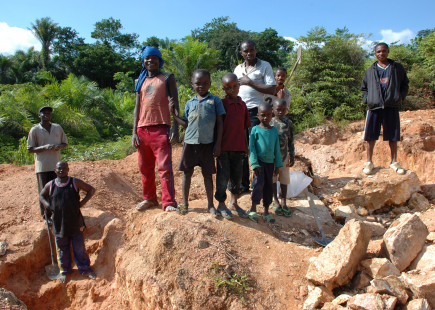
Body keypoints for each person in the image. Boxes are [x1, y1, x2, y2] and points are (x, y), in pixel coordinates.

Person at [172, 69, 225, 217]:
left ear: (209, 84)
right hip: (190, 143)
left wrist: (218, 143)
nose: (201, 86)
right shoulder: (190, 103)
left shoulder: (215, 101)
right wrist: (174, 116)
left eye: (205, 83)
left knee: (208, 175)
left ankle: (210, 205)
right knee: (187, 173)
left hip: (207, 144)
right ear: (192, 84)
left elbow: (220, 123)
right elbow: (186, 123)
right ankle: (185, 204)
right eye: (198, 83)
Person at [132, 46, 179, 212]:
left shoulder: (167, 78)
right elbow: (137, 107)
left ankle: (169, 202)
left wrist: (175, 129)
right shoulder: (141, 81)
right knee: (145, 168)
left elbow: (175, 103)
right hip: (142, 130)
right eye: (147, 58)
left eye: (154, 58)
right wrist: (133, 133)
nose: (150, 61)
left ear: (160, 61)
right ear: (143, 61)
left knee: (164, 168)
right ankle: (149, 198)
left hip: (160, 128)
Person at [39, 161, 96, 283]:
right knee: (62, 248)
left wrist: (81, 203)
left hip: (75, 221)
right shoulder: (51, 185)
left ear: (68, 170)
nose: (61, 171)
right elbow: (42, 195)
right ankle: (64, 271)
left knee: (79, 247)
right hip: (59, 224)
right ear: (55, 170)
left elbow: (91, 190)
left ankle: (85, 268)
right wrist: (48, 205)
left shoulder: (74, 182)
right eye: (59, 169)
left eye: (64, 168)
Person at [234, 40, 276, 193]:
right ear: (241, 53)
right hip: (239, 112)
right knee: (242, 148)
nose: (249, 53)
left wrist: (250, 82)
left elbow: (272, 88)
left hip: (255, 112)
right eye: (246, 51)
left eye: (252, 50)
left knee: (257, 147)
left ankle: (259, 182)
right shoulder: (237, 68)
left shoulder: (264, 66)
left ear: (256, 50)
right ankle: (244, 184)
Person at [361, 42, 409, 175]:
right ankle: (369, 163)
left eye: (384, 51)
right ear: (375, 54)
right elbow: (363, 88)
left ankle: (394, 162)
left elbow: (405, 84)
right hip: (374, 107)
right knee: (370, 136)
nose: (381, 54)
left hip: (391, 106)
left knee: (393, 136)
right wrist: (367, 99)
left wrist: (401, 96)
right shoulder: (370, 70)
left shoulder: (396, 68)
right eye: (378, 52)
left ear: (388, 52)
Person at [215, 73, 251, 219]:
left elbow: (244, 128)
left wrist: (246, 146)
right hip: (224, 147)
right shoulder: (222, 104)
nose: (232, 90)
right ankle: (221, 203)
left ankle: (234, 202)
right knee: (223, 176)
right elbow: (218, 125)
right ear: (224, 89)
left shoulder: (243, 105)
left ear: (239, 85)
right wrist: (216, 145)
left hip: (238, 147)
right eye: (228, 88)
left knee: (237, 176)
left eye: (235, 86)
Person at [27, 106, 68, 225]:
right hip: (42, 166)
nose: (46, 115)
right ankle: (45, 216)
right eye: (43, 113)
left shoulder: (57, 128)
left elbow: (65, 143)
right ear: (39, 115)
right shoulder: (35, 130)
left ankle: (58, 213)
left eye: (48, 113)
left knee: (57, 190)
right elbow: (30, 149)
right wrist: (44, 147)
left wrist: (58, 147)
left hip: (57, 167)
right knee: (44, 191)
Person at [248, 102, 283, 224]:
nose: (266, 117)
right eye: (263, 115)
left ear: (272, 115)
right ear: (258, 115)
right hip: (259, 164)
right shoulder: (255, 130)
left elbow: (277, 149)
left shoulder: (274, 131)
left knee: (269, 186)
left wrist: (278, 164)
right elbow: (251, 148)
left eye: (268, 115)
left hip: (270, 164)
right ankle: (253, 208)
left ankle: (266, 211)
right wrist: (254, 164)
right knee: (258, 185)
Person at [270, 99, 294, 217]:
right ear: (273, 109)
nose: (280, 112)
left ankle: (283, 200)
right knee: (273, 179)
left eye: (283, 110)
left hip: (284, 156)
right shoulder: (270, 122)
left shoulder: (288, 123)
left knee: (284, 179)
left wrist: (292, 154)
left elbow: (291, 141)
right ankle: (275, 200)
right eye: (278, 109)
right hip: (272, 158)